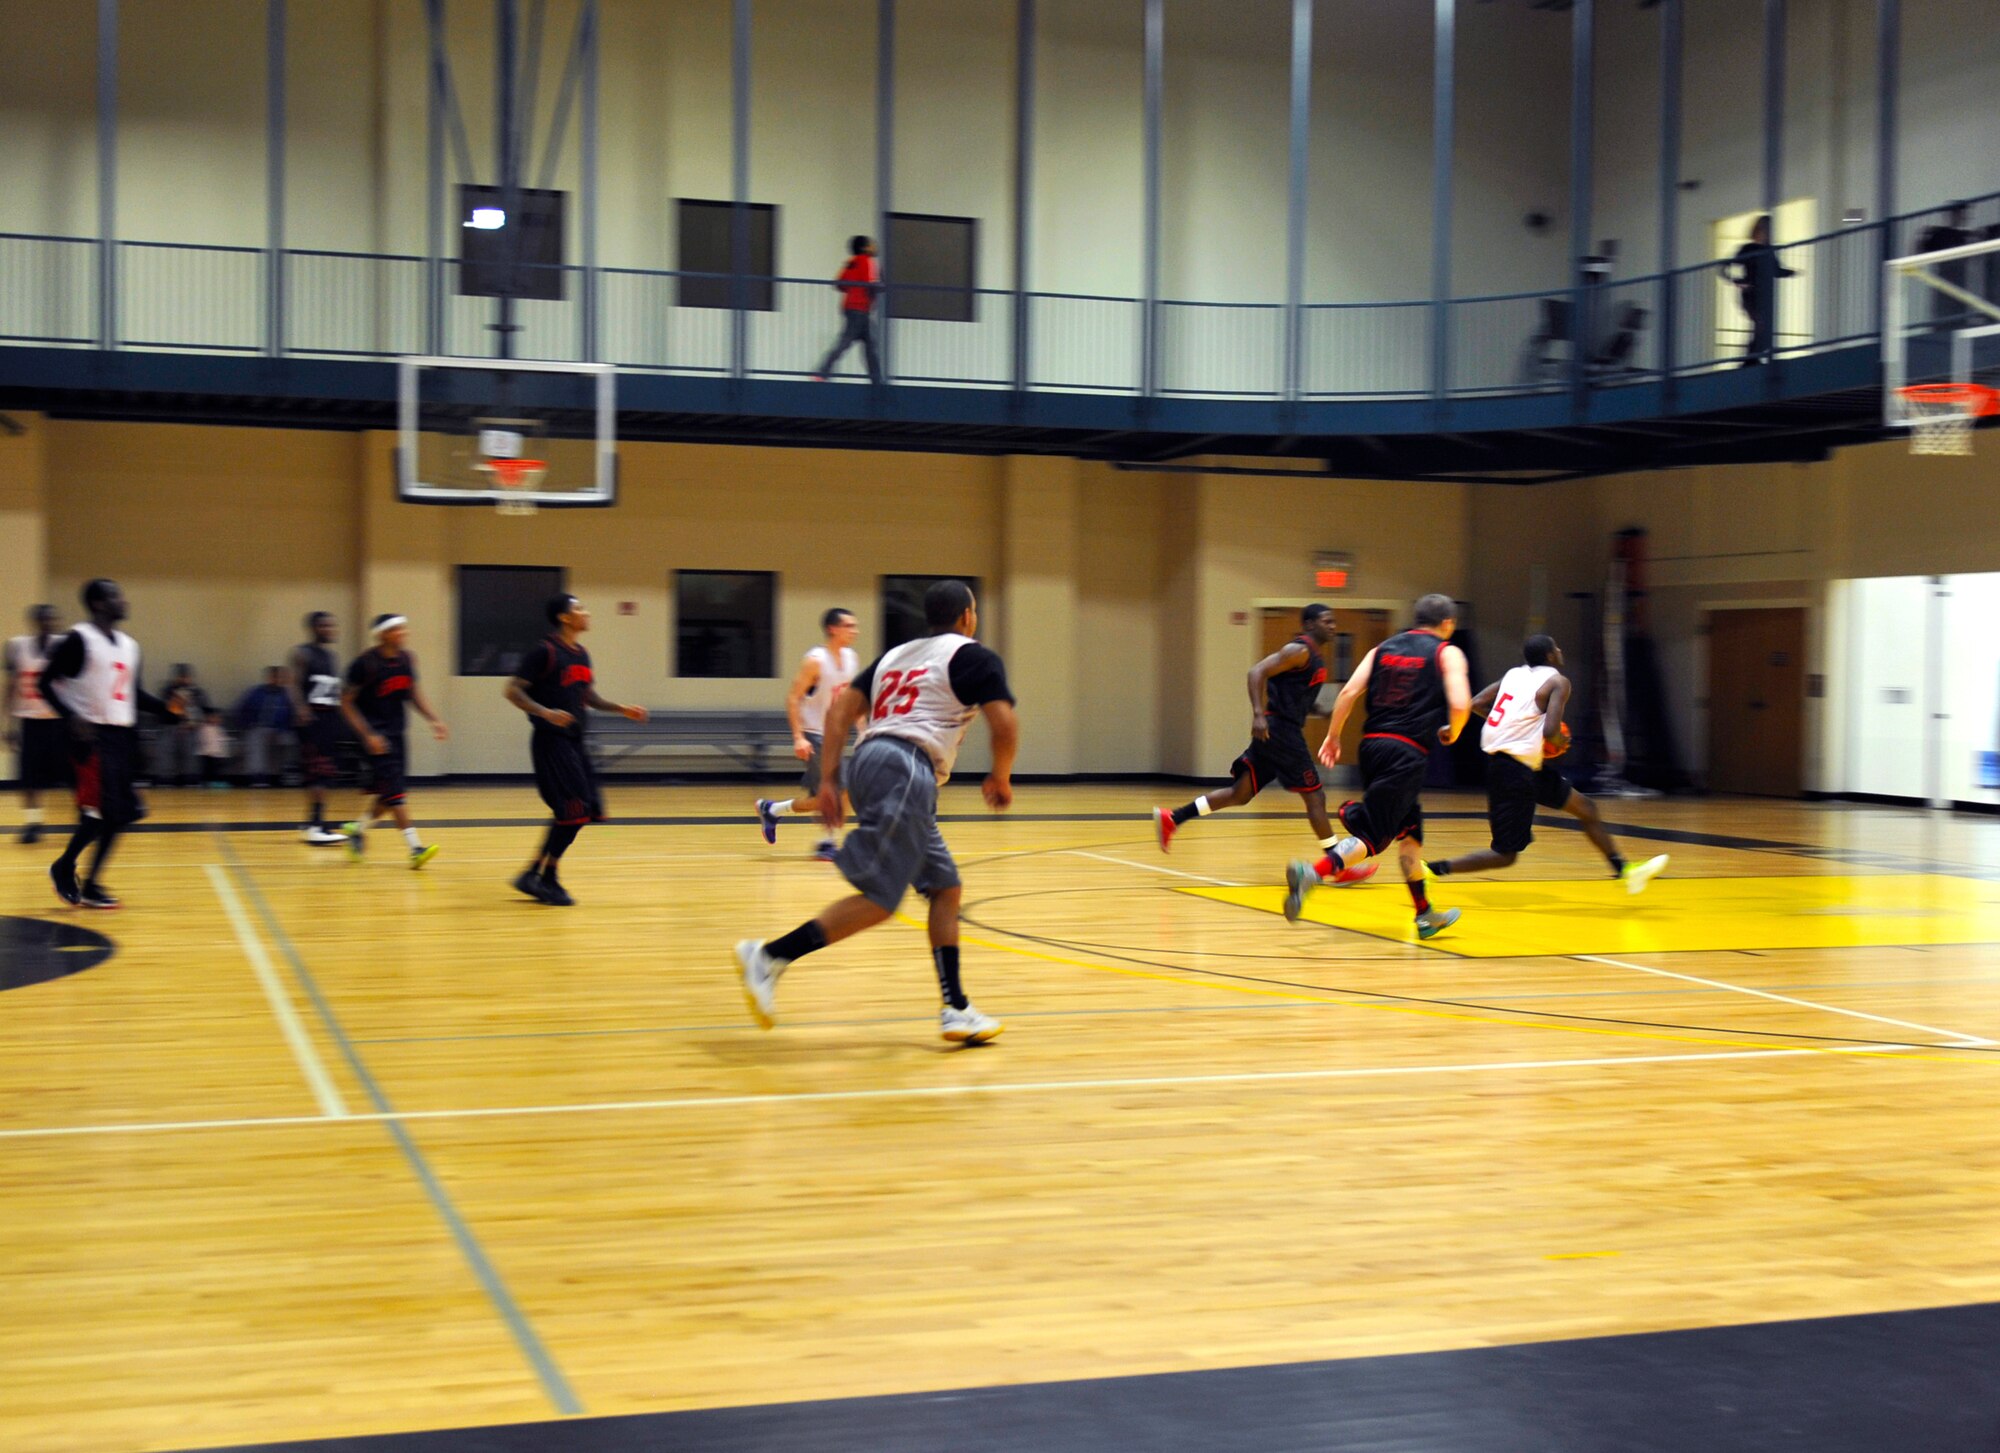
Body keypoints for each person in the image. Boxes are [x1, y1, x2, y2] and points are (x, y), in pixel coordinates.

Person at [735, 579, 1015, 1045]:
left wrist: (828, 780)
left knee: (945, 888)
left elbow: (839, 713)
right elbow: (1004, 723)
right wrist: (1001, 776)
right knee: (881, 901)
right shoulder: (972, 655)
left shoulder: (896, 655)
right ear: (968, 616)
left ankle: (956, 1008)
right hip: (906, 767)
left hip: (874, 763)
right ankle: (767, 957)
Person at [1285, 593, 1473, 940]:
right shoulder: (1448, 652)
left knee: (1409, 834)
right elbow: (1461, 702)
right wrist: (1454, 730)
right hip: (1407, 752)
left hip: (1372, 746)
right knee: (1375, 836)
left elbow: (1348, 693)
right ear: (1448, 624)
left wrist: (1333, 736)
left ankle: (1425, 913)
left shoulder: (1383, 649)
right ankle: (1313, 872)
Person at [1423, 635, 1669, 894]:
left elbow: (1476, 704)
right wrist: (1559, 741)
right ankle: (1431, 869)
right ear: (1551, 655)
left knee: (1586, 808)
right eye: (1556, 647)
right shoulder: (1557, 682)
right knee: (1505, 855)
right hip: (1513, 772)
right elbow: (1552, 730)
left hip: (1526, 767)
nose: (1560, 649)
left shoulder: (1513, 675)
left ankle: (1624, 870)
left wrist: (1512, 728)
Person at [1154, 603, 1373, 888]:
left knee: (1240, 793)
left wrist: (1320, 709)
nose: (1332, 626)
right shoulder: (1299, 650)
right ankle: (1337, 866)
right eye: (1326, 621)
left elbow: (1293, 693)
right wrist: (1258, 713)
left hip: (1277, 731)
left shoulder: (1315, 657)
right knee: (1315, 797)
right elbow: (1256, 672)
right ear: (1309, 624)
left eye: (1333, 622)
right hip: (1281, 731)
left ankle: (1174, 818)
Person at [503, 593, 648, 906]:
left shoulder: (581, 654)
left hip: (575, 742)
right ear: (565, 618)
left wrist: (622, 709)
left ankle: (532, 873)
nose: (587, 612)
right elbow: (512, 690)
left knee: (580, 811)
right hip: (552, 743)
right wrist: (545, 712)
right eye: (580, 608)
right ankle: (547, 878)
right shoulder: (544, 651)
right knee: (573, 812)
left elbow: (589, 696)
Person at [40, 580, 169, 909]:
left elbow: (132, 695)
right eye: (115, 595)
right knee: (97, 814)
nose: (124, 600)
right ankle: (64, 867)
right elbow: (45, 683)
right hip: (90, 738)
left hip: (121, 738)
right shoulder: (80, 639)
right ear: (98, 604)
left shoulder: (129, 645)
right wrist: (70, 716)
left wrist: (168, 711)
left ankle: (93, 882)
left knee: (121, 814)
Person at [338, 614, 449, 868]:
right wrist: (367, 735)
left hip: (397, 733)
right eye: (397, 629)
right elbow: (345, 702)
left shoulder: (407, 659)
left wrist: (434, 719)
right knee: (396, 793)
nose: (403, 633)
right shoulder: (365, 664)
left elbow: (413, 693)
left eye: (403, 628)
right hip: (373, 735)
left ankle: (358, 830)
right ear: (383, 634)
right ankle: (415, 849)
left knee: (390, 793)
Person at [757, 606, 861, 861]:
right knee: (841, 790)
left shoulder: (851, 658)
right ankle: (827, 843)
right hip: (815, 734)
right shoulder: (815, 660)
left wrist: (863, 729)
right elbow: (793, 698)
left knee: (824, 797)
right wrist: (798, 737)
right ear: (832, 629)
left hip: (835, 734)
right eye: (848, 626)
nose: (854, 630)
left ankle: (772, 809)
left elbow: (851, 698)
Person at [5, 603, 66, 844]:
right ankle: (33, 822)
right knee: (30, 777)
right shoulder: (17, 646)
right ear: (35, 622)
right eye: (44, 620)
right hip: (30, 720)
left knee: (71, 774)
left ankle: (87, 819)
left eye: (52, 620)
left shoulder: (63, 646)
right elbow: (11, 687)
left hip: (58, 720)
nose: (48, 624)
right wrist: (8, 725)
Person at [290, 612, 349, 844]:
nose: (330, 629)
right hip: (313, 717)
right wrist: (301, 708)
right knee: (317, 772)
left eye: (332, 625)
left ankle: (311, 821)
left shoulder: (331, 656)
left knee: (324, 772)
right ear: (314, 628)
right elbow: (293, 684)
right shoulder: (302, 653)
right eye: (325, 625)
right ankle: (316, 824)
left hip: (330, 717)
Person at [812, 235, 884, 385]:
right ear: (865, 248)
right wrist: (882, 286)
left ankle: (876, 380)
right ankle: (822, 371)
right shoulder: (868, 261)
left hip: (851, 308)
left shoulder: (851, 262)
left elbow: (840, 283)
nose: (874, 247)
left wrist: (854, 288)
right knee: (851, 343)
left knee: (869, 344)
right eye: (871, 245)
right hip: (861, 309)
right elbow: (872, 283)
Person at [1727, 215, 1796, 367]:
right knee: (1761, 325)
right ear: (1759, 231)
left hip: (1763, 295)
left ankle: (1751, 359)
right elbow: (1726, 266)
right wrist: (1737, 281)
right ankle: (1750, 359)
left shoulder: (1768, 250)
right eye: (1766, 230)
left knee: (1763, 328)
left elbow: (1776, 270)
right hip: (1751, 294)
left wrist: (1792, 272)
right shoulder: (1748, 249)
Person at [233, 666, 295, 787]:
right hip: (258, 728)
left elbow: (292, 716)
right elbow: (241, 710)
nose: (277, 680)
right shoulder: (256, 692)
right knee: (256, 739)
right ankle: (258, 777)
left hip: (281, 730)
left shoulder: (288, 695)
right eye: (274, 677)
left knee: (289, 740)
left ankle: (281, 776)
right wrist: (247, 726)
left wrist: (280, 730)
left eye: (279, 677)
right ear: (269, 678)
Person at [1915, 202, 1974, 328]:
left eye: (1963, 214)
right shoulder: (1940, 234)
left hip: (1960, 285)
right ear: (1952, 215)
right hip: (1945, 283)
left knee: (1958, 317)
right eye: (1960, 214)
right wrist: (1921, 237)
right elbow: (1919, 255)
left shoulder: (1965, 237)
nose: (1963, 217)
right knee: (1943, 317)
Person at [159, 664, 214, 785]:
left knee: (192, 748)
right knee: (167, 747)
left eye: (186, 677)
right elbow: (165, 711)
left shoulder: (198, 693)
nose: (184, 680)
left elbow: (205, 711)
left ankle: (191, 777)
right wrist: (179, 722)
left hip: (192, 727)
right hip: (171, 725)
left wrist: (192, 723)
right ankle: (166, 778)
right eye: (181, 677)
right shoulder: (168, 692)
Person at [196, 710, 232, 788]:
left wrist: (224, 752)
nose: (217, 719)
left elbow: (223, 740)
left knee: (217, 770)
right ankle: (206, 782)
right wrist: (208, 750)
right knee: (208, 769)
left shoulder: (220, 729)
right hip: (207, 753)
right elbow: (203, 740)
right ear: (208, 718)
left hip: (218, 753)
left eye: (218, 718)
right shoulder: (204, 728)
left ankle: (216, 782)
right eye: (214, 717)